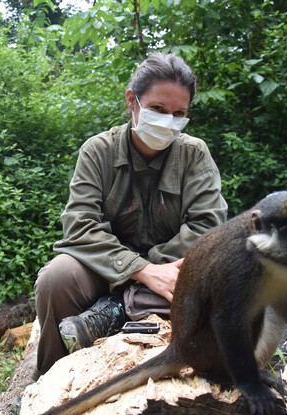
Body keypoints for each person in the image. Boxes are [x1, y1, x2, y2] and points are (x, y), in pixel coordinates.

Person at [32, 53, 228, 380]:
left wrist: (155, 269)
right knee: (57, 277)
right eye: (158, 110)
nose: (169, 121)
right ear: (132, 100)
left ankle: (114, 313)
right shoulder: (98, 150)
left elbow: (207, 228)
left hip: (170, 270)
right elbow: (80, 226)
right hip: (106, 268)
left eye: (179, 113)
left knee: (221, 281)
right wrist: (140, 270)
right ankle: (47, 379)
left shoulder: (195, 154)